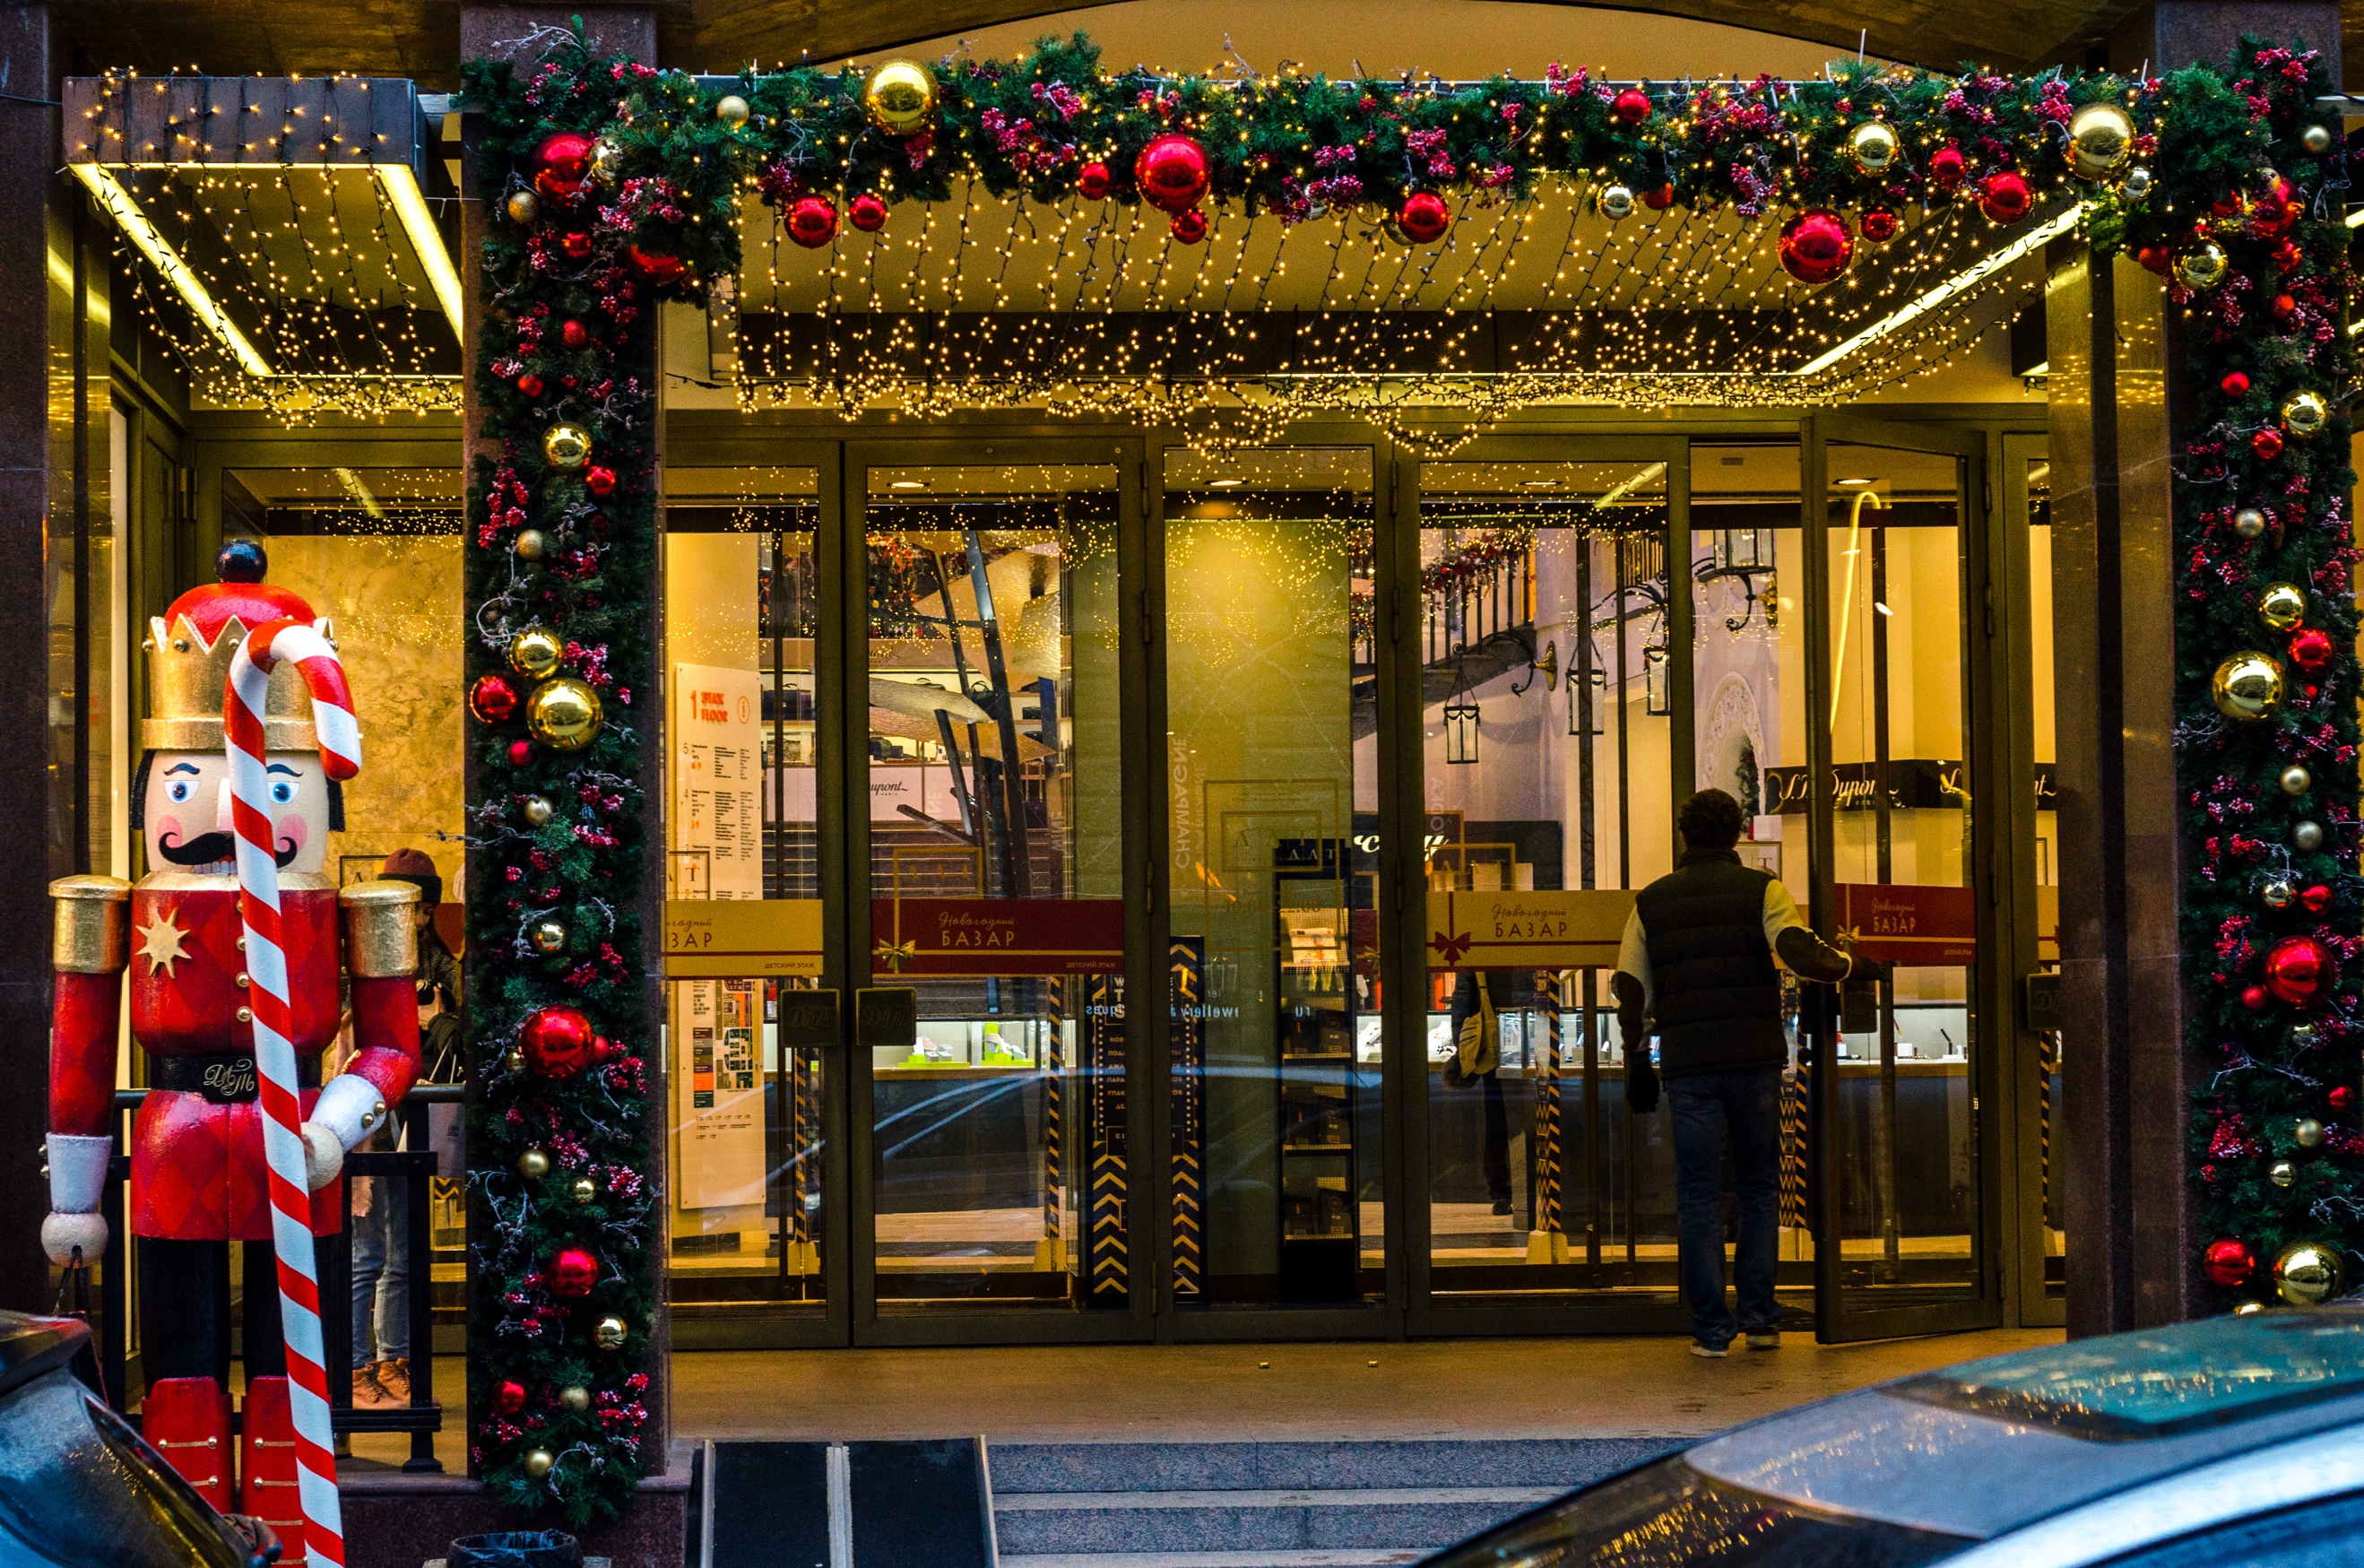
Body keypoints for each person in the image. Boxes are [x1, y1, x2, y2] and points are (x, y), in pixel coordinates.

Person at [1613, 788, 1884, 1357]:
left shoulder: (1650, 903)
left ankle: (1712, 1330)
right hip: (1756, 1062)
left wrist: (1637, 1064)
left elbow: (1631, 991)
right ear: (1737, 835)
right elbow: (1801, 953)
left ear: (1685, 836)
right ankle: (1761, 1318)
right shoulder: (1763, 890)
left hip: (1688, 1068)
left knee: (1698, 1195)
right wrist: (1858, 965)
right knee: (1759, 1187)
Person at [347, 847, 460, 1408]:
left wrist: (434, 1019)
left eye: (409, 905)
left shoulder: (442, 966)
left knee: (402, 1251)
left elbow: (458, 1037)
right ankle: (357, 1366)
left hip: (412, 1113)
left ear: (424, 912)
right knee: (368, 1250)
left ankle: (394, 1359)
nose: (400, 916)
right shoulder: (356, 961)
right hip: (361, 1115)